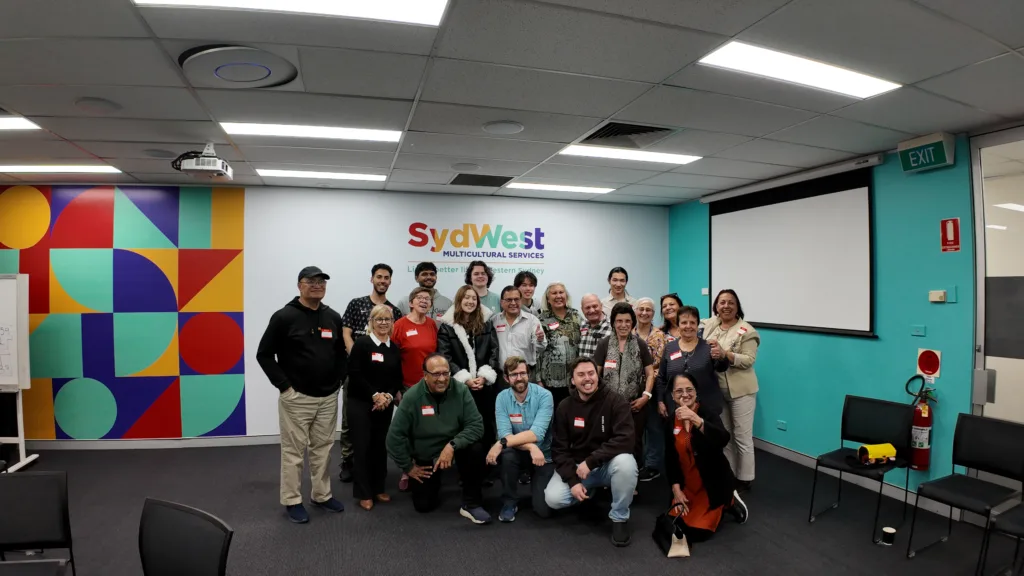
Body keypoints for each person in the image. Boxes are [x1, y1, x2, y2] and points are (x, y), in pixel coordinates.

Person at [256, 266, 347, 523]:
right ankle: (292, 500)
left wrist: (339, 380)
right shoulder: (284, 317)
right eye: (311, 281)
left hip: (328, 398)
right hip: (297, 398)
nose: (317, 285)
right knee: (294, 452)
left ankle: (321, 495)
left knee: (323, 450)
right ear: (300, 285)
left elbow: (340, 353)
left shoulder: (333, 317)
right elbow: (264, 355)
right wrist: (285, 387)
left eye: (321, 281)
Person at [385, 354, 491, 524]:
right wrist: (408, 467)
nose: (442, 379)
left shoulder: (461, 390)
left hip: (456, 449)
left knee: (476, 449)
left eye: (445, 373)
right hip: (427, 456)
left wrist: (452, 446)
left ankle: (472, 503)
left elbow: (477, 425)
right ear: (425, 375)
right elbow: (393, 438)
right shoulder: (412, 397)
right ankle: (433, 481)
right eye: (436, 374)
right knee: (423, 506)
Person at [545, 357, 638, 547]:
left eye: (591, 373)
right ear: (572, 380)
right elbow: (559, 449)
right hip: (579, 469)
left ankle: (619, 517)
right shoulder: (564, 406)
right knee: (553, 499)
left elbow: (626, 439)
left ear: (597, 375)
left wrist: (592, 461)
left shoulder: (615, 401)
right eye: (581, 375)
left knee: (627, 464)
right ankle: (590, 490)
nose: (587, 379)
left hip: (606, 465)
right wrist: (572, 481)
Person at [663, 372, 748, 549]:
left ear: (696, 392)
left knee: (697, 533)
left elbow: (723, 439)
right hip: (688, 484)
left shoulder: (707, 413)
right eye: (679, 391)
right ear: (672, 395)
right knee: (675, 522)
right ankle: (716, 501)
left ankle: (729, 501)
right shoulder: (670, 421)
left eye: (689, 390)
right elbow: (670, 458)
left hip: (711, 483)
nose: (685, 395)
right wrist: (676, 490)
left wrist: (696, 420)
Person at [338, 263, 403, 483]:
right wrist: (359, 355)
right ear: (372, 279)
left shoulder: (394, 310)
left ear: (390, 281)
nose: (382, 281)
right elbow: (346, 333)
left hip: (382, 378)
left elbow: (393, 345)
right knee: (351, 421)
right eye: (379, 277)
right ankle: (348, 461)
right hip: (357, 373)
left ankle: (374, 473)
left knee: (377, 430)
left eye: (386, 278)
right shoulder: (356, 304)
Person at [702, 289, 760, 492]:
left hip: (741, 390)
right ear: (716, 306)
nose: (725, 306)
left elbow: (749, 360)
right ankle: (729, 472)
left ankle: (745, 478)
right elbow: (687, 322)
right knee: (724, 434)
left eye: (730, 303)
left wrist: (726, 354)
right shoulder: (710, 324)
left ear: (737, 307)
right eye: (722, 302)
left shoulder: (747, 330)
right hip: (718, 391)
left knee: (742, 436)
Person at [486, 356, 555, 522]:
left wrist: (501, 443)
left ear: (528, 374)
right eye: (514, 374)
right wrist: (531, 447)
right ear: (506, 378)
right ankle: (509, 501)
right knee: (508, 455)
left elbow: (536, 434)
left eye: (523, 373)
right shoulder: (502, 397)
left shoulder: (545, 396)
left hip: (543, 455)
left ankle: (536, 484)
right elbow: (505, 433)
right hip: (520, 452)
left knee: (543, 511)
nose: (519, 378)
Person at [346, 304, 402, 511]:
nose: (383, 323)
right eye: (379, 319)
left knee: (380, 447)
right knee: (362, 447)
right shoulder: (362, 344)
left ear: (392, 323)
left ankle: (378, 488)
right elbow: (355, 373)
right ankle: (364, 493)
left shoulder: (393, 348)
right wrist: (374, 395)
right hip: (361, 402)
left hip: (385, 404)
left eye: (387, 319)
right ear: (371, 322)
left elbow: (397, 378)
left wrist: (387, 395)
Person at [593, 303, 655, 478]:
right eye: (619, 320)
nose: (623, 325)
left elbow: (650, 373)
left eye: (627, 321)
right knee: (608, 440)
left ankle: (632, 480)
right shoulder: (604, 344)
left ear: (632, 323)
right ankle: (608, 478)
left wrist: (646, 396)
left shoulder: (641, 345)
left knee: (634, 443)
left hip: (635, 405)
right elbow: (596, 374)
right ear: (613, 322)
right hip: (608, 406)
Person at [438, 285, 501, 450]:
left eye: (474, 298)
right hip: (459, 389)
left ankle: (488, 467)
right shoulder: (447, 326)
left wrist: (485, 376)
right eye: (466, 297)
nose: (470, 301)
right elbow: (445, 357)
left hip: (484, 386)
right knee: (462, 427)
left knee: (487, 424)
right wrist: (464, 379)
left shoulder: (486, 323)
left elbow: (494, 351)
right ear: (459, 300)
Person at [656, 305, 723, 419]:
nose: (688, 326)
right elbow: (661, 377)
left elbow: (722, 367)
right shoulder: (669, 348)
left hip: (706, 410)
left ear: (697, 326)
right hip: (675, 410)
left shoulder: (709, 347)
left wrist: (722, 356)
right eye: (684, 322)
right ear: (678, 325)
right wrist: (660, 400)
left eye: (692, 323)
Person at [634, 297, 668, 481]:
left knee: (654, 428)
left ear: (653, 314)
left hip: (653, 388)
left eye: (648, 310)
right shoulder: (628, 332)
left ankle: (653, 465)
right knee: (635, 428)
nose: (644, 313)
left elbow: (660, 364)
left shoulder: (659, 335)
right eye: (641, 309)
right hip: (631, 389)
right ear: (635, 311)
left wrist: (647, 381)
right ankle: (636, 463)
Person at [536, 282, 584, 406]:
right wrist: (538, 378)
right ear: (548, 298)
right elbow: (537, 350)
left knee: (573, 415)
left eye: (561, 292)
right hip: (551, 380)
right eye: (554, 293)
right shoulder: (541, 319)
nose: (558, 296)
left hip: (574, 378)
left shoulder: (576, 316)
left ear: (566, 295)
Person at [493, 285, 546, 381]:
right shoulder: (494, 321)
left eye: (516, 299)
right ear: (501, 302)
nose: (513, 303)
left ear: (521, 301)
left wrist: (540, 340)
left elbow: (541, 348)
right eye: (509, 300)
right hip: (501, 377)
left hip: (526, 376)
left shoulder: (532, 320)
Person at [579, 293, 612, 359]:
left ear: (601, 306)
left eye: (595, 306)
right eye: (587, 308)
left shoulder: (612, 327)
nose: (592, 310)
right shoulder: (582, 325)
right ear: (582, 309)